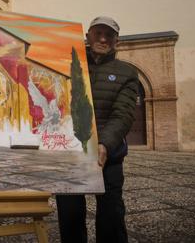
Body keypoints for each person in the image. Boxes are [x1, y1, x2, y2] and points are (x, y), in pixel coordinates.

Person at [56, 16, 138, 243]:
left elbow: (123, 114)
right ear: (88, 36)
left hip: (108, 153)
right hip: (71, 152)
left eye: (109, 35)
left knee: (111, 214)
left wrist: (104, 144)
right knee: (69, 215)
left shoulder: (127, 72)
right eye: (98, 33)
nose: (103, 38)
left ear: (116, 41)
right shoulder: (69, 65)